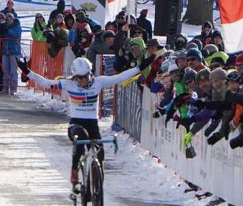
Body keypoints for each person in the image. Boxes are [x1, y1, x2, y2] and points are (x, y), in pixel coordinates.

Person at [18, 56, 152, 192]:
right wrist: (27, 71)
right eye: (79, 77)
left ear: (90, 73)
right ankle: (74, 170)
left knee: (100, 153)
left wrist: (139, 68)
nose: (82, 80)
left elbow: (119, 77)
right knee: (81, 138)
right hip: (75, 124)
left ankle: (97, 188)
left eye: (85, 77)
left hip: (92, 124)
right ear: (75, 76)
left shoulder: (98, 82)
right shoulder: (68, 83)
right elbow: (46, 83)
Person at [0, 13, 22, 94]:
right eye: (7, 18)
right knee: (5, 71)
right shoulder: (5, 27)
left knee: (13, 71)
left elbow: (15, 35)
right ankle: (5, 88)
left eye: (10, 18)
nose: (8, 19)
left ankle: (13, 89)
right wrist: (0, 29)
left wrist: (7, 29)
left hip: (14, 51)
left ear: (13, 19)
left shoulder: (17, 26)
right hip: (5, 51)